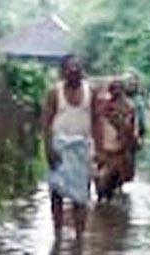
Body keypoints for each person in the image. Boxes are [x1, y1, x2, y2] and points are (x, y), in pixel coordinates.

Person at [43, 55, 94, 239]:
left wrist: (98, 151)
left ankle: (79, 238)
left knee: (81, 196)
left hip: (82, 148)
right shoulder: (54, 92)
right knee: (56, 192)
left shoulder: (90, 92)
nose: (74, 72)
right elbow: (46, 122)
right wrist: (48, 148)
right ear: (63, 72)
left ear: (82, 71)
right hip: (59, 147)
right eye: (70, 69)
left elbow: (96, 121)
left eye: (78, 68)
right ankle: (57, 234)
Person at [92, 79, 136, 202]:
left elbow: (130, 129)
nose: (115, 92)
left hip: (118, 148)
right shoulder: (103, 105)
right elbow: (95, 123)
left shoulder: (128, 107)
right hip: (104, 147)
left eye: (118, 89)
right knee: (100, 179)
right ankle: (103, 202)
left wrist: (128, 145)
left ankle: (106, 202)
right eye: (113, 88)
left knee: (111, 180)